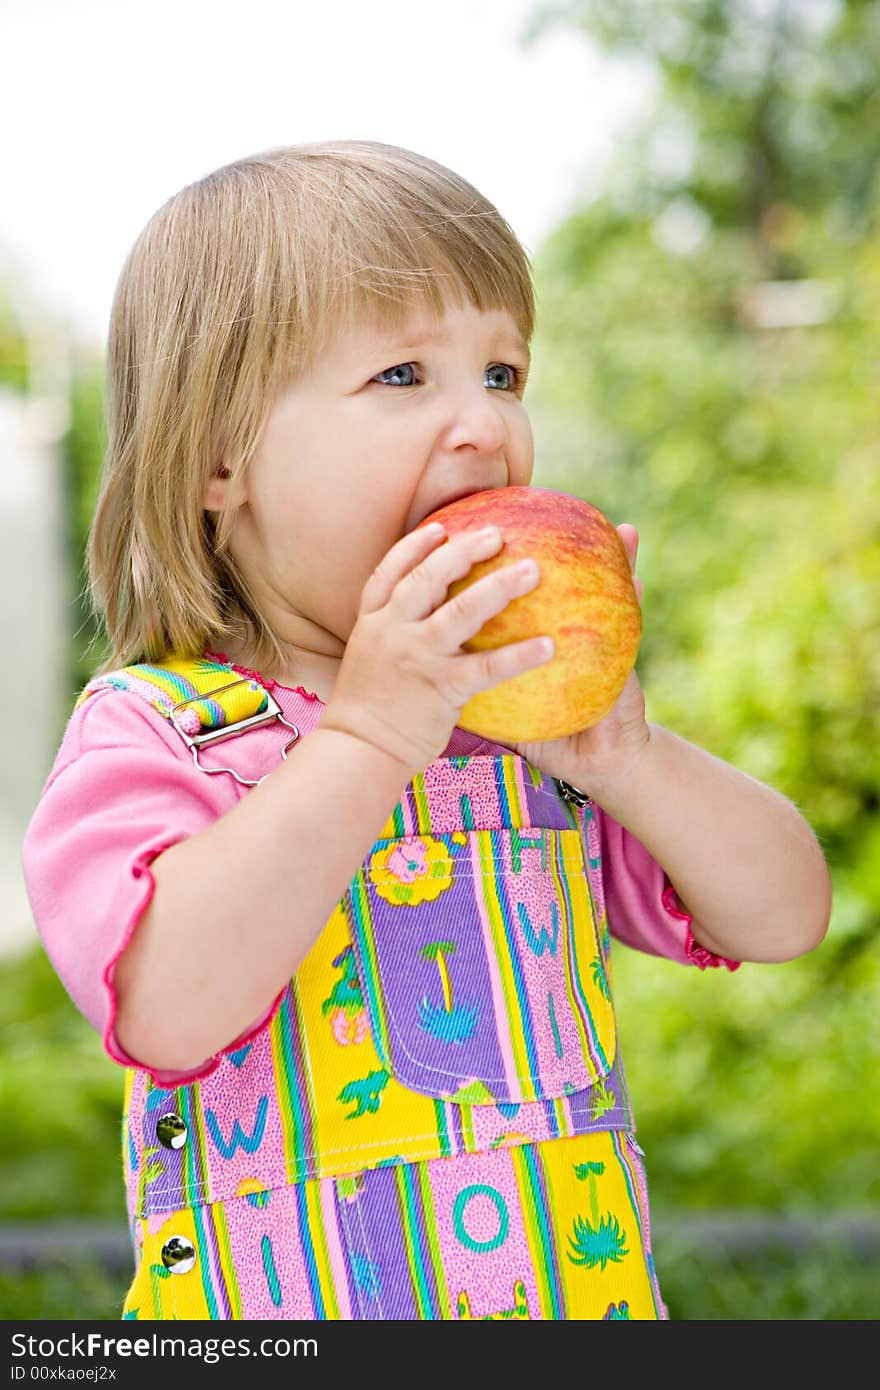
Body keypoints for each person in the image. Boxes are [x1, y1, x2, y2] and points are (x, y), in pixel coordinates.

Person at [21, 140, 832, 1322]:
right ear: (217, 458)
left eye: (502, 373)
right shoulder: (159, 736)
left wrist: (625, 759)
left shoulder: (514, 736)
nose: (480, 427)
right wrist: (365, 738)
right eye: (403, 375)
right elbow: (168, 1005)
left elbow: (783, 911)